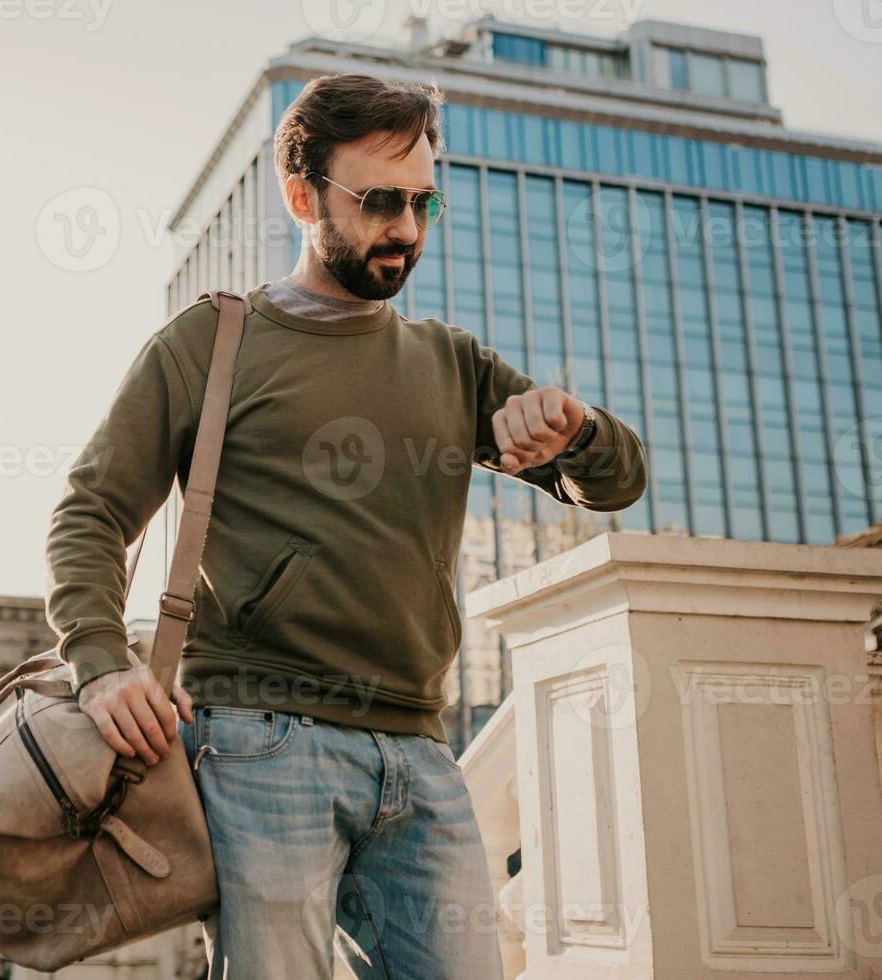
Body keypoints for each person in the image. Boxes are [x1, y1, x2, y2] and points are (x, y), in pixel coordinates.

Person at [44, 73, 648, 979]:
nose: (405, 227)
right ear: (302, 196)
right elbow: (91, 509)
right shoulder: (211, 344)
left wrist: (577, 430)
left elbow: (618, 482)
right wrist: (98, 665)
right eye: (378, 201)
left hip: (421, 750)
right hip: (257, 742)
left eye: (421, 201)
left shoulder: (452, 362)